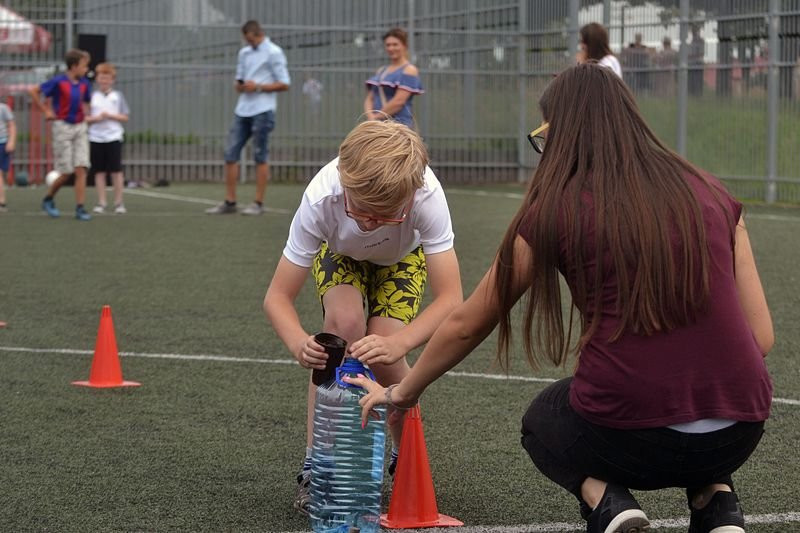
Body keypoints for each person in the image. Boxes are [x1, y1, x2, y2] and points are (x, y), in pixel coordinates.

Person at [347, 63, 773, 533]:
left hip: (627, 435)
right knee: (698, 395)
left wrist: (403, 392)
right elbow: (761, 338)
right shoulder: (715, 193)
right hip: (738, 433)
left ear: (561, 131)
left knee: (543, 421)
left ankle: (608, 501)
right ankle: (716, 501)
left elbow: (470, 321)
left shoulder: (557, 208)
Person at [263, 119, 462, 515]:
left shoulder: (426, 196)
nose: (370, 223)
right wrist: (298, 342)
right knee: (340, 332)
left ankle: (407, 462)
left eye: (386, 215)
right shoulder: (323, 197)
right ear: (344, 180)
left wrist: (399, 343)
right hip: (342, 255)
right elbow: (277, 297)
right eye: (362, 212)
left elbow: (452, 299)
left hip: (403, 259)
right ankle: (317, 465)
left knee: (385, 356)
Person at [206, 20, 290, 216]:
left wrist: (258, 87)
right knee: (230, 153)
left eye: (250, 39)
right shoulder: (244, 53)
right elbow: (239, 79)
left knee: (260, 155)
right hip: (243, 109)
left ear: (257, 33)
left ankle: (258, 203)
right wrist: (240, 85)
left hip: (264, 110)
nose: (248, 42)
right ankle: (230, 201)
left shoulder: (274, 52)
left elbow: (285, 83)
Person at [30, 49, 93, 221]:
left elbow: (86, 102)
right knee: (66, 171)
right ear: (74, 66)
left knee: (81, 168)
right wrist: (46, 110)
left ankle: (80, 208)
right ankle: (48, 198)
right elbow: (34, 91)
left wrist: (88, 115)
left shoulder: (85, 84)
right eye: (84, 65)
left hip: (80, 127)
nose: (86, 69)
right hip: (62, 127)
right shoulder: (58, 82)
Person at [86, 62, 130, 214]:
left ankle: (119, 202)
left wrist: (110, 116)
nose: (104, 81)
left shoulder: (117, 96)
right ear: (97, 79)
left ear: (113, 80)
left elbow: (125, 116)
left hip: (113, 136)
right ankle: (101, 202)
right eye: (101, 78)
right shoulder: (92, 97)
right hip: (96, 137)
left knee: (116, 171)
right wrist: (96, 118)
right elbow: (85, 117)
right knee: (99, 171)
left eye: (107, 78)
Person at [363, 28, 423, 129]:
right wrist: (370, 117)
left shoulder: (409, 69)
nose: (391, 48)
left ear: (404, 46)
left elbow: (399, 101)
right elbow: (370, 98)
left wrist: (376, 117)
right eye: (388, 45)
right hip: (378, 126)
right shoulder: (381, 71)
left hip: (399, 127)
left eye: (395, 44)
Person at [0, 100, 15, 212]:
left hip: (2, 143)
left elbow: (12, 125)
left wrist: (11, 141)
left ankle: (2, 201)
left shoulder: (3, 108)